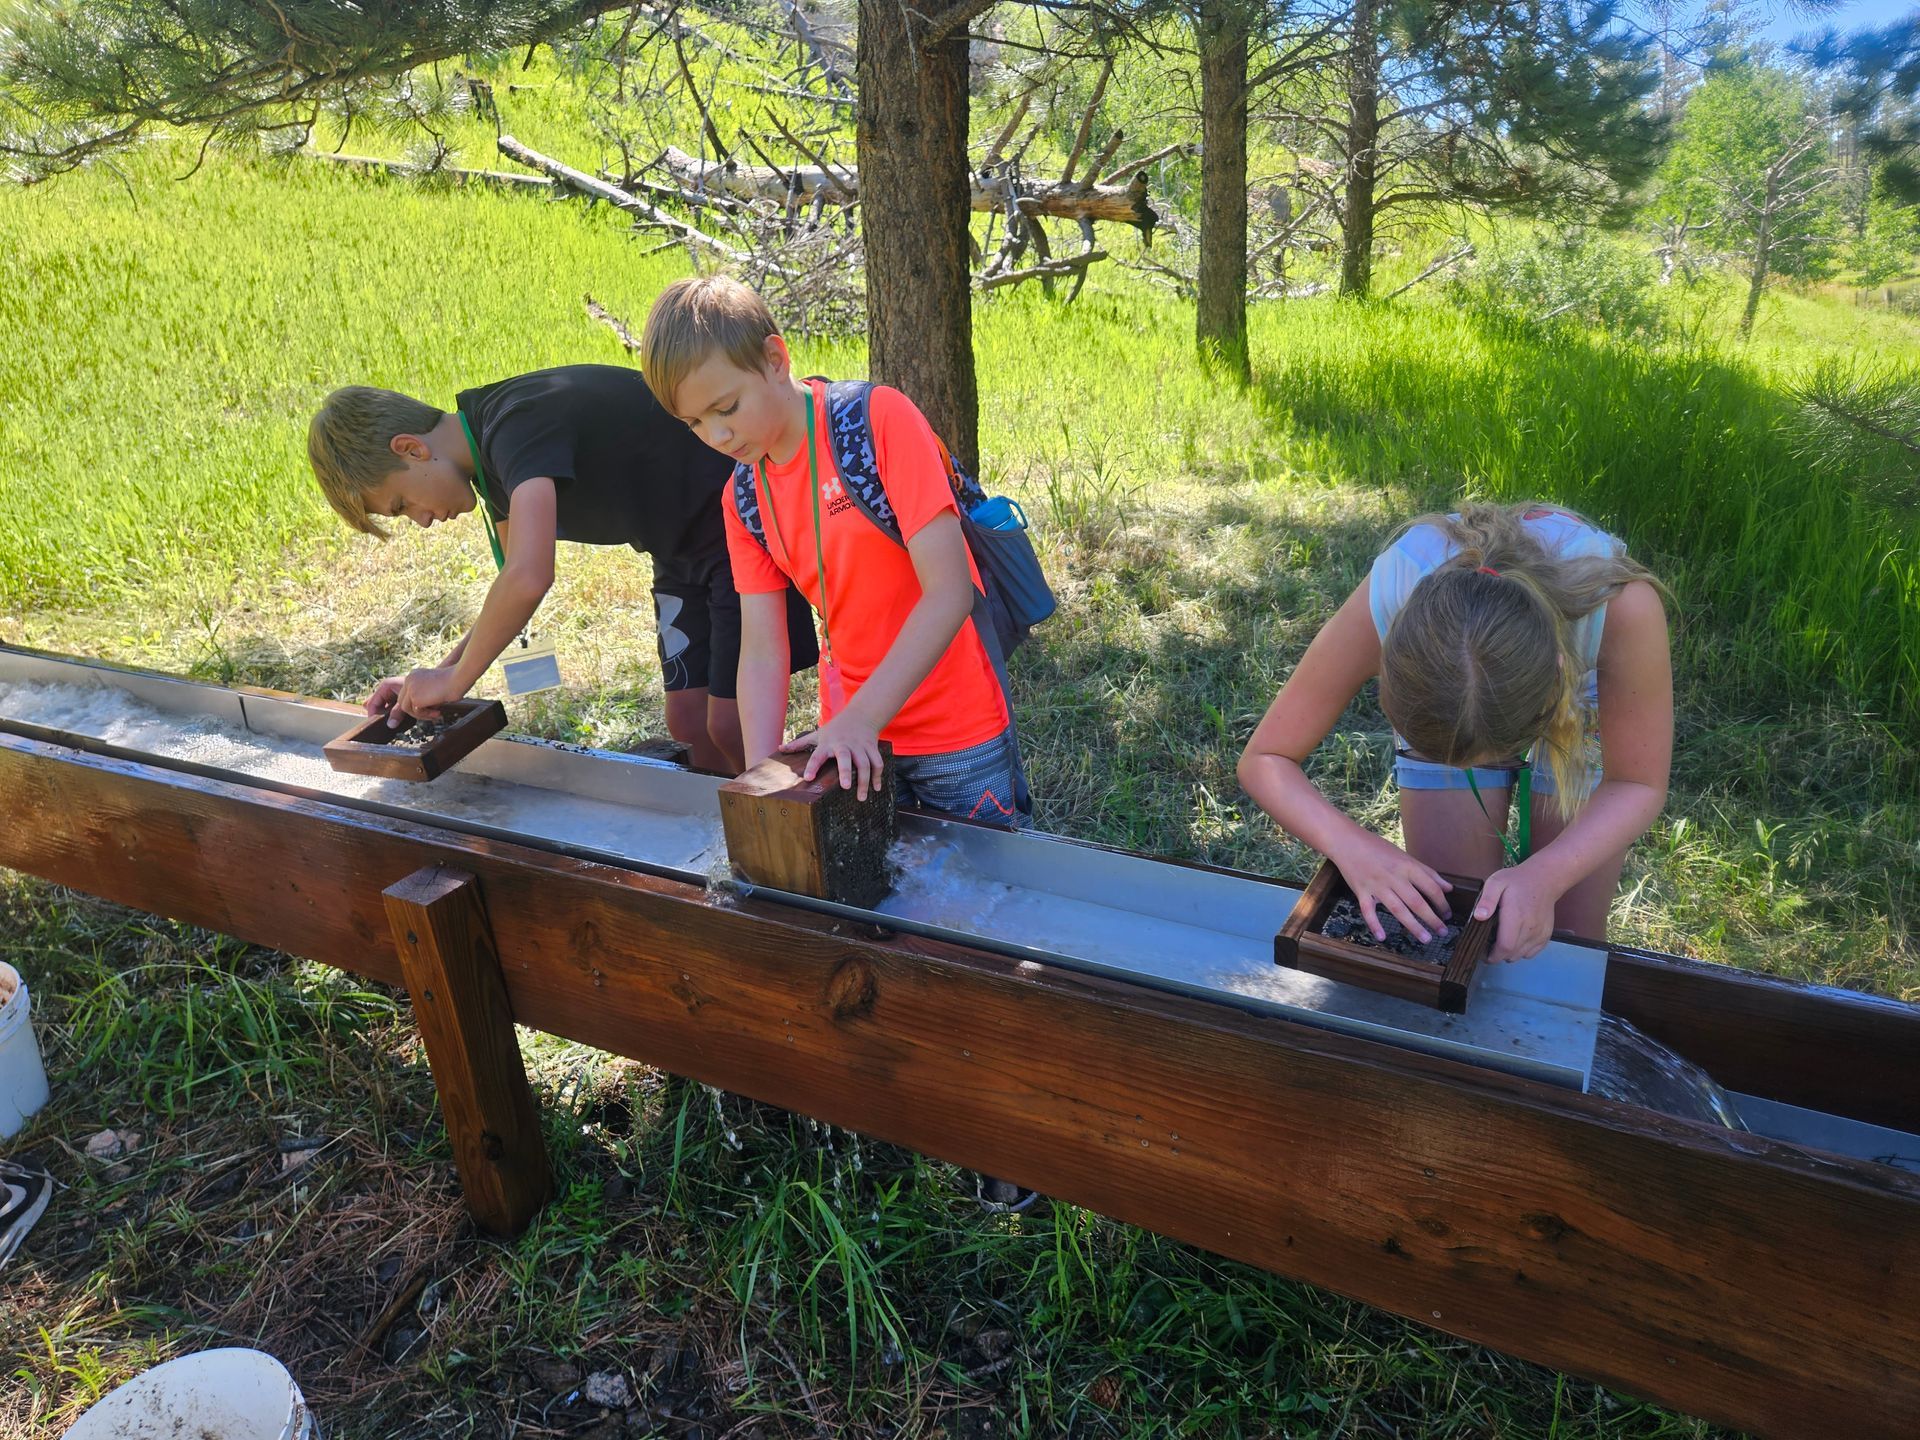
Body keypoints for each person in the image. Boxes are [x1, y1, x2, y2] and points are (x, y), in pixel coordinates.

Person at [638, 276, 1029, 828]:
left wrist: (861, 718)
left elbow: (950, 592)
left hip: (955, 726)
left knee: (984, 897)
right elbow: (763, 649)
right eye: (695, 422)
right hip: (849, 740)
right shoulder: (742, 495)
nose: (717, 437)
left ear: (775, 358)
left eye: (726, 408)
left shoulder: (877, 421)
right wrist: (761, 776)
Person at [306, 366, 816, 772]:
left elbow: (531, 575)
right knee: (687, 722)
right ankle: (719, 838)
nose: (419, 521)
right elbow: (511, 585)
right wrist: (441, 672)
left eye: (400, 505)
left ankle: (777, 838)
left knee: (728, 725)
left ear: (411, 448)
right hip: (680, 554)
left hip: (736, 536)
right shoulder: (489, 462)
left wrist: (457, 680)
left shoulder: (515, 423)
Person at [1238, 501, 1672, 962]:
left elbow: (1636, 782)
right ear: (1389, 664)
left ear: (1554, 681)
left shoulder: (1621, 606)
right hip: (1469, 668)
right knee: (1450, 918)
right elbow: (1265, 759)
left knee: (1569, 944)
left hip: (1578, 679)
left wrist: (1547, 874)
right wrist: (1353, 848)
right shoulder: (1392, 593)